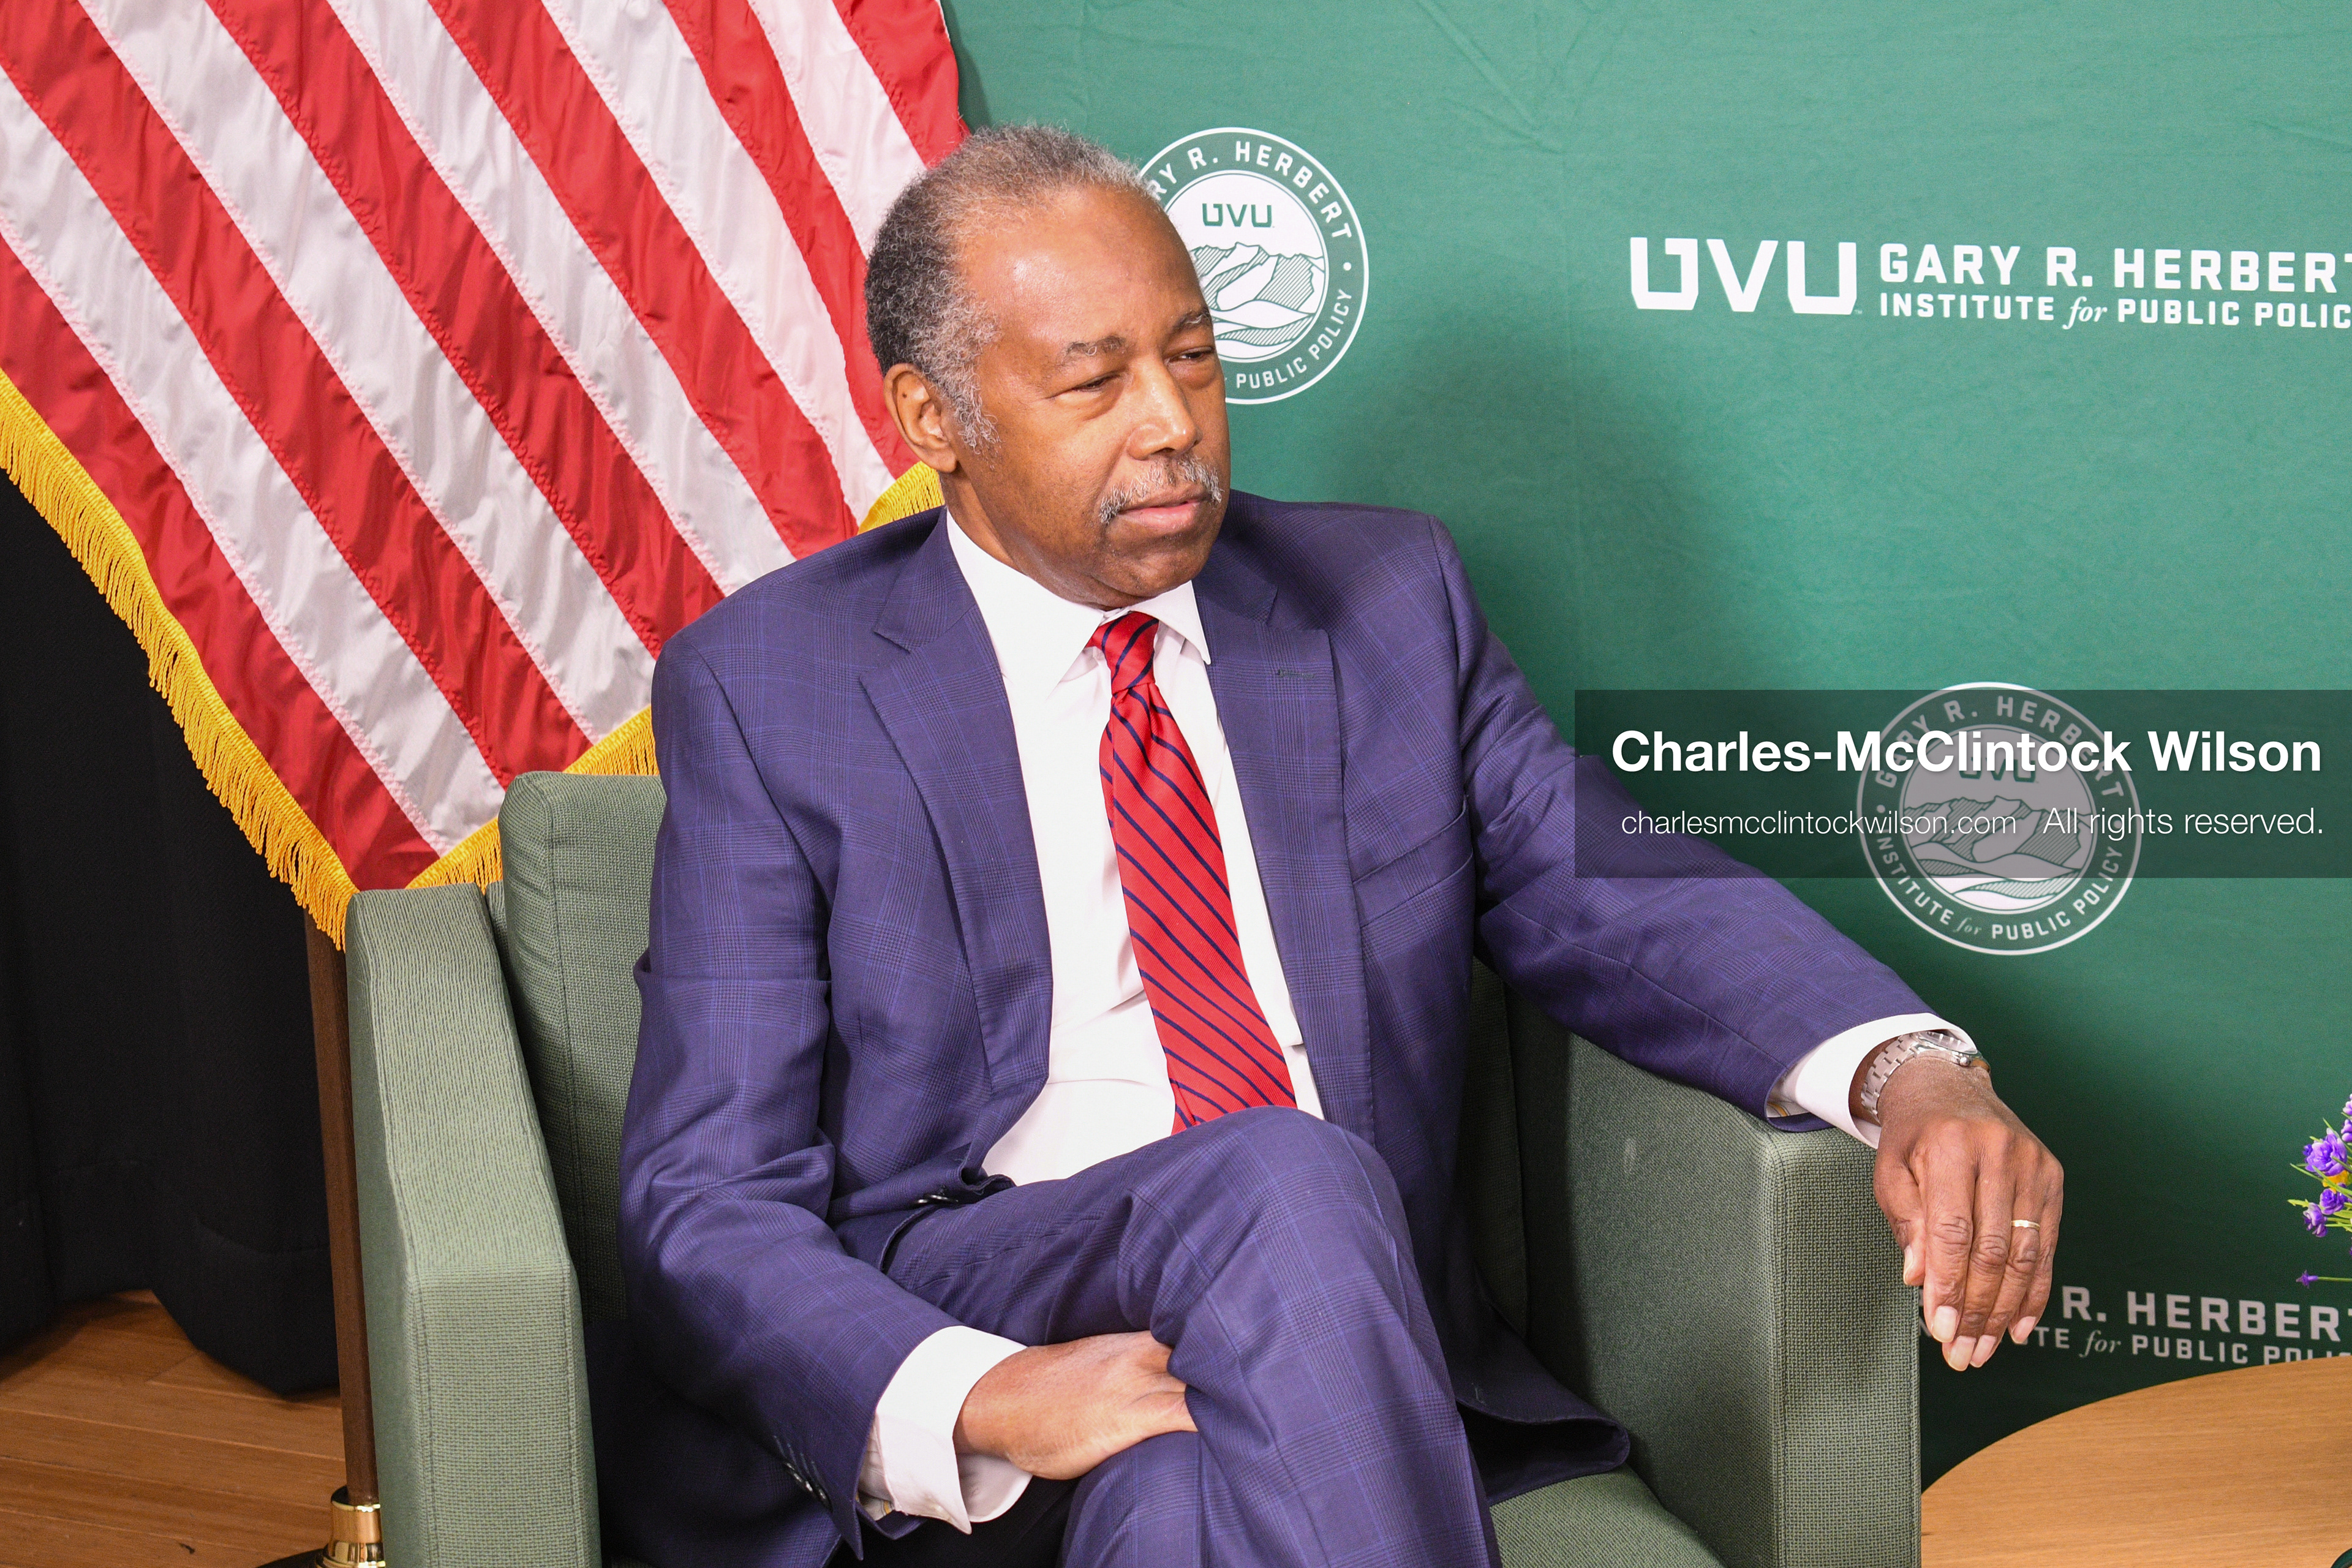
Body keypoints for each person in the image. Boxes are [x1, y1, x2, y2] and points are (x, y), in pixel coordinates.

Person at [595, 126, 2064, 1568]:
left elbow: (1610, 884)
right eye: (1093, 378)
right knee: (1279, 1174)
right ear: (932, 421)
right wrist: (985, 1388)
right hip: (980, 1282)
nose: (1169, 420)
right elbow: (707, 1189)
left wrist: (1906, 1069)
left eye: (1193, 355)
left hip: (1312, 1333)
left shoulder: (1380, 598)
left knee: (1179, 1504)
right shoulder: (775, 682)